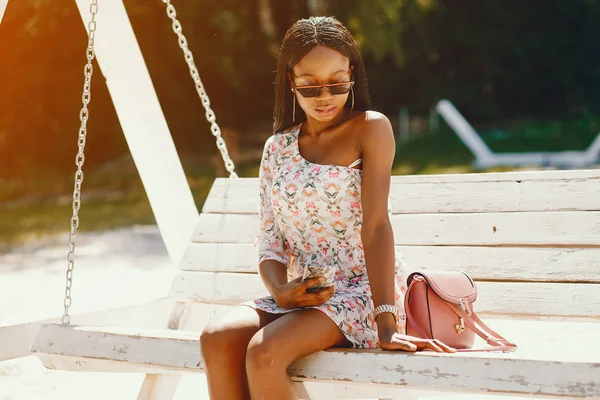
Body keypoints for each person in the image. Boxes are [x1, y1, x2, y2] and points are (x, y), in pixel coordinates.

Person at [200, 16, 455, 400]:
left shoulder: (370, 129)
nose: (325, 96)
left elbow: (376, 227)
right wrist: (281, 290)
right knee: (217, 338)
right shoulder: (277, 148)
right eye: (310, 86)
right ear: (292, 82)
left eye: (337, 83)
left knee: (263, 352)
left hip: (363, 294)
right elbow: (270, 242)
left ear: (352, 75)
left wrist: (386, 323)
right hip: (305, 294)